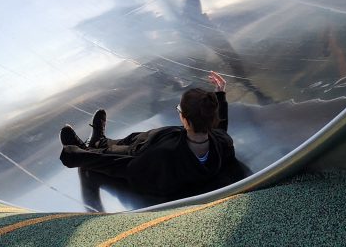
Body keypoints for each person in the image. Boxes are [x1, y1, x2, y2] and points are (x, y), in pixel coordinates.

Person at [58, 72, 242, 199]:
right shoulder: (221, 144)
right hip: (154, 150)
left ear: (185, 120)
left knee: (118, 150)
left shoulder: (163, 153)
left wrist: (76, 156)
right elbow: (220, 132)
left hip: (145, 162)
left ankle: (93, 146)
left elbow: (122, 165)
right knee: (133, 140)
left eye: (179, 110)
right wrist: (220, 95)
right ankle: (100, 140)